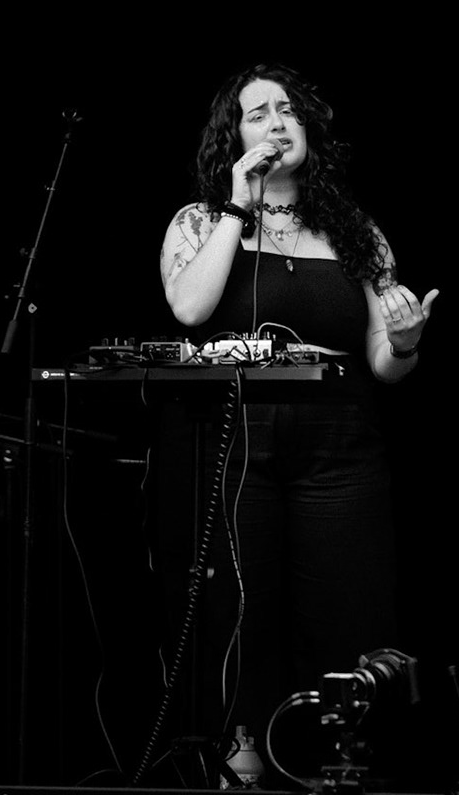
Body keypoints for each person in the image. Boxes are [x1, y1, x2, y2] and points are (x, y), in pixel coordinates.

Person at [153, 63, 438, 765]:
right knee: (237, 613)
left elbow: (386, 364)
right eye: (258, 113)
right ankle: (241, 758)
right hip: (237, 445)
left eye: (289, 110)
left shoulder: (355, 232)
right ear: (234, 137)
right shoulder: (200, 221)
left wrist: (404, 341)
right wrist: (236, 207)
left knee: (349, 609)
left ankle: (337, 761)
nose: (278, 122)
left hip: (340, 447)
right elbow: (189, 309)